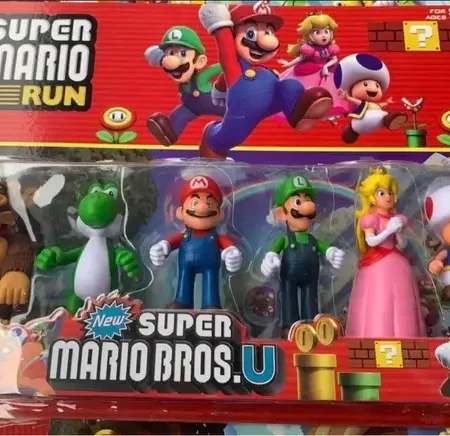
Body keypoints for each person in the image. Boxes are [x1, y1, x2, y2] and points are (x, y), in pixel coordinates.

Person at [197, 3, 333, 159]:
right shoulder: (235, 68)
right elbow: (226, 50)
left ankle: (298, 114)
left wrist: (220, 91)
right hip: (243, 112)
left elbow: (223, 80)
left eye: (269, 32)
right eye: (250, 33)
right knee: (230, 136)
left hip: (270, 101)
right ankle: (212, 139)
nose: (268, 42)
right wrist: (221, 26)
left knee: (290, 85)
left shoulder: (264, 70)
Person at [260, 175, 344, 338]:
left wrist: (331, 252)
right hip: (289, 275)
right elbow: (273, 250)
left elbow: (323, 247)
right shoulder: (285, 239)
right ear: (281, 213)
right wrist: (270, 258)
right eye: (298, 201)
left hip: (311, 276)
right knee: (288, 297)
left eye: (308, 200)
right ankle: (289, 325)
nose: (307, 206)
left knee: (310, 297)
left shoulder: (313, 240)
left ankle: (311, 324)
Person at [346, 166, 426, 337]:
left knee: (402, 300)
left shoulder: (396, 219)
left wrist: (397, 232)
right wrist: (388, 230)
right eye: (382, 193)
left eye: (390, 192)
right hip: (377, 263)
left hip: (397, 262)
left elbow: (402, 244)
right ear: (372, 197)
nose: (388, 197)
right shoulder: (370, 219)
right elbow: (371, 241)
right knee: (378, 299)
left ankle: (407, 334)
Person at [149, 175, 243, 309]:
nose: (202, 208)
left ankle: (211, 304)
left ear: (220, 214)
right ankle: (182, 302)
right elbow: (171, 242)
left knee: (211, 282)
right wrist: (162, 247)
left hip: (210, 264)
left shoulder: (217, 237)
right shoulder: (184, 235)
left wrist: (232, 253)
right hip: (186, 264)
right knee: (184, 279)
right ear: (180, 212)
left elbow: (227, 245)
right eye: (195, 203)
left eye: (209, 203)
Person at [145, 26, 225, 146]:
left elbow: (220, 67)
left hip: (219, 105)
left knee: (232, 113)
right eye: (171, 53)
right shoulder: (182, 84)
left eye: (182, 53)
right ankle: (170, 134)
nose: (172, 60)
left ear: (199, 61)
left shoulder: (200, 78)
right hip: (191, 108)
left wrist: (236, 62)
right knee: (178, 115)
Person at [276, 12, 352, 122]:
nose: (323, 35)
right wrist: (288, 64)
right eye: (318, 32)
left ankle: (329, 114)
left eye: (326, 31)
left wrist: (326, 66)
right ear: (310, 35)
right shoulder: (309, 49)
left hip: (327, 74)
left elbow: (334, 59)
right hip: (309, 72)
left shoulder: (331, 48)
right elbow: (301, 58)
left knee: (332, 93)